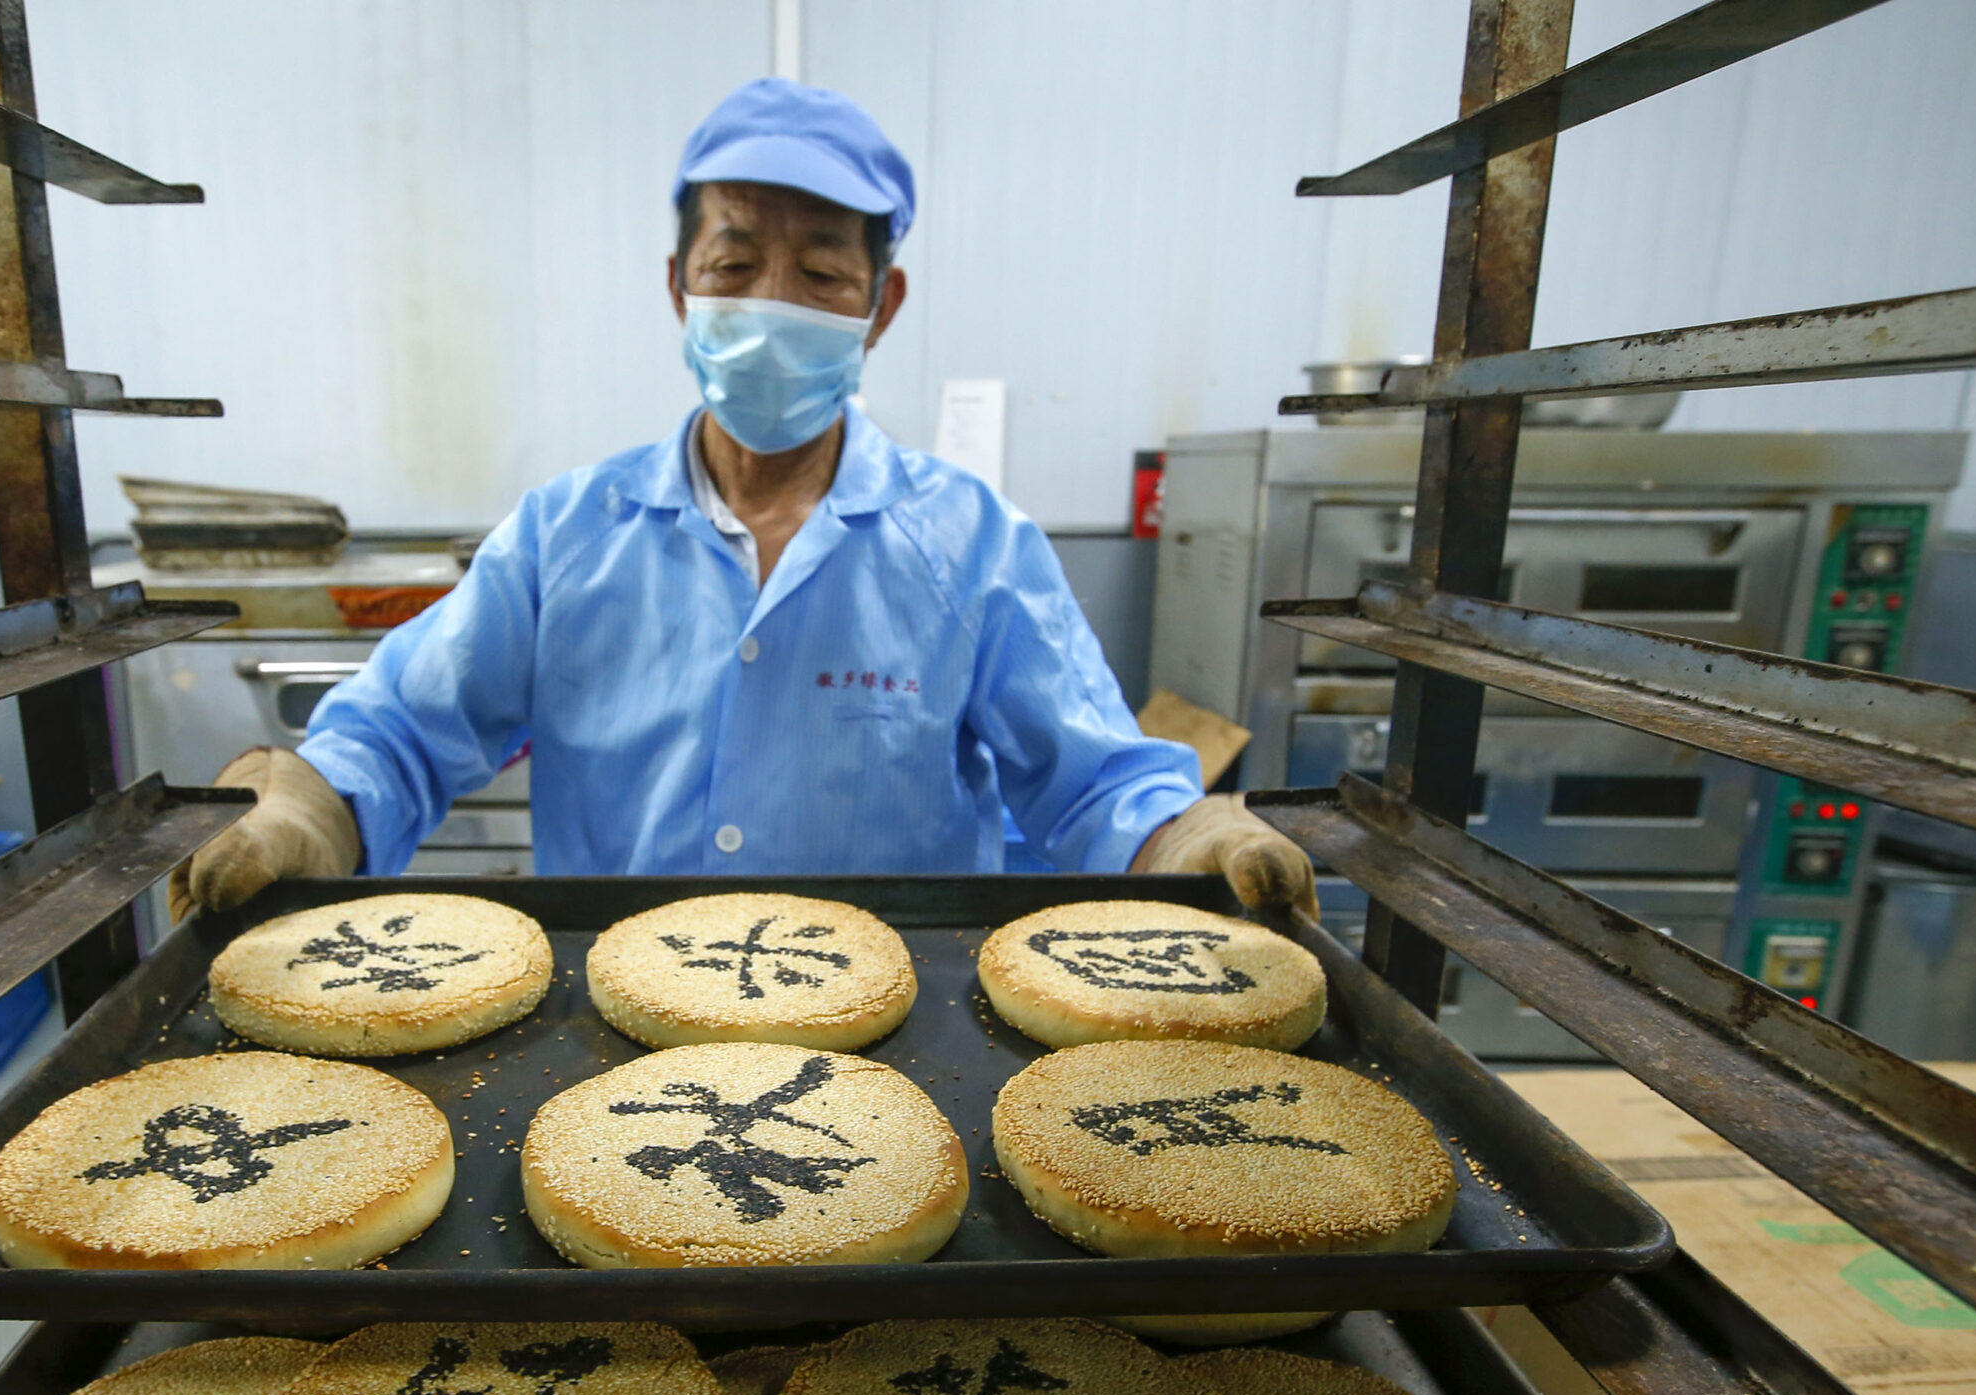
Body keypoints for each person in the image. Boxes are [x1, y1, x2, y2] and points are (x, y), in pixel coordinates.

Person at [171, 78, 1314, 918]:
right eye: (732, 265)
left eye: (819, 272)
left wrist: (1189, 842)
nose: (772, 304)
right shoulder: (566, 537)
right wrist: (305, 808)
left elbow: (1092, 783)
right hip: (614, 1032)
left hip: (895, 1044)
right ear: (679, 288)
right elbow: (400, 735)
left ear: (880, 305)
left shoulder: (971, 547)